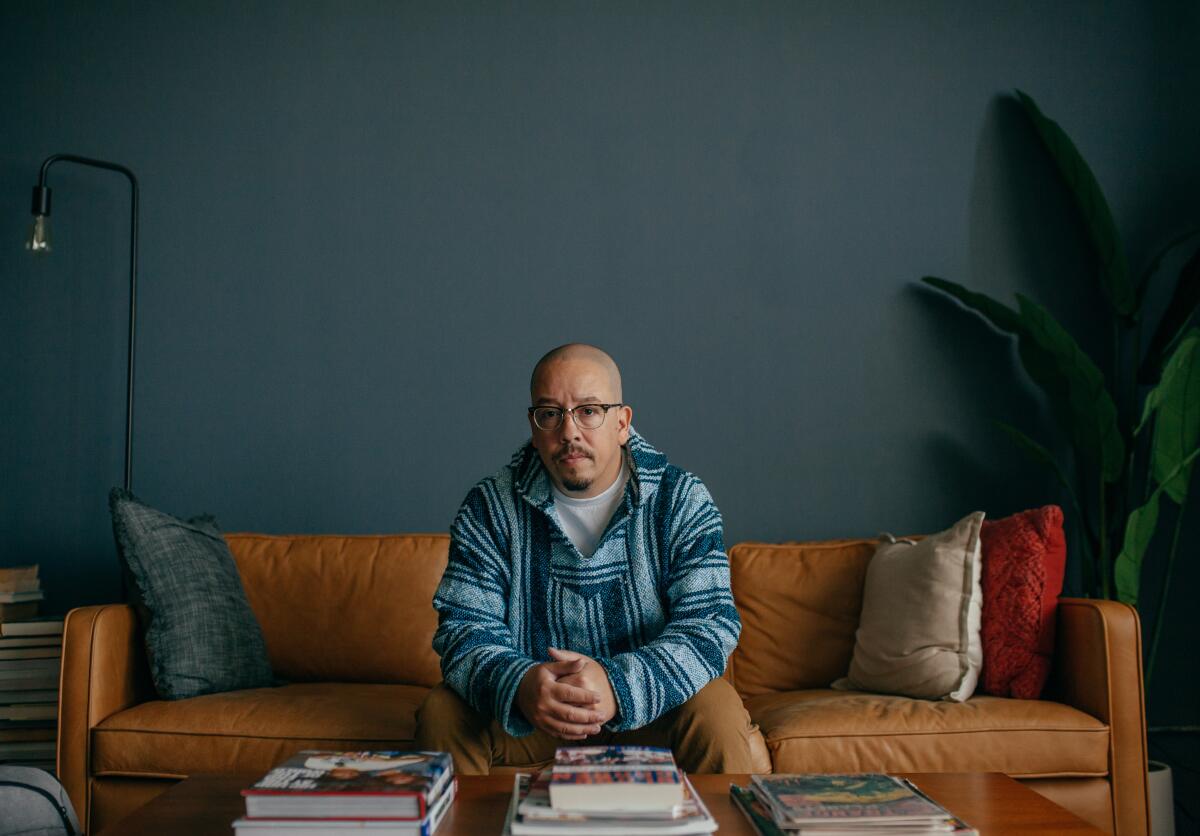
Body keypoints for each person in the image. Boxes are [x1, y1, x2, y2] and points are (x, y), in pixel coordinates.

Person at [415, 344, 755, 774]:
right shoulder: (489, 507)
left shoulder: (681, 499)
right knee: (443, 709)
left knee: (716, 705)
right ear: (534, 427)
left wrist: (616, 686)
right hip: (532, 717)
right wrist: (519, 684)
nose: (569, 431)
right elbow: (463, 629)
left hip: (653, 712)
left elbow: (710, 625)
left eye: (589, 410)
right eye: (551, 413)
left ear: (622, 422)